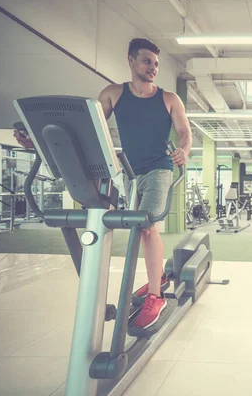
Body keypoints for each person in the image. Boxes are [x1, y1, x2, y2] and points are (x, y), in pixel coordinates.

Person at [14, 38, 192, 329]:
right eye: (147, 61)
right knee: (138, 227)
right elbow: (89, 130)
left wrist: (183, 151)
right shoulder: (113, 94)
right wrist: (37, 141)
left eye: (156, 64)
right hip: (127, 171)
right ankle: (157, 275)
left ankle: (156, 296)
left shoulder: (170, 98)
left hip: (159, 168)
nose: (153, 68)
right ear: (131, 60)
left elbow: (184, 132)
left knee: (146, 226)